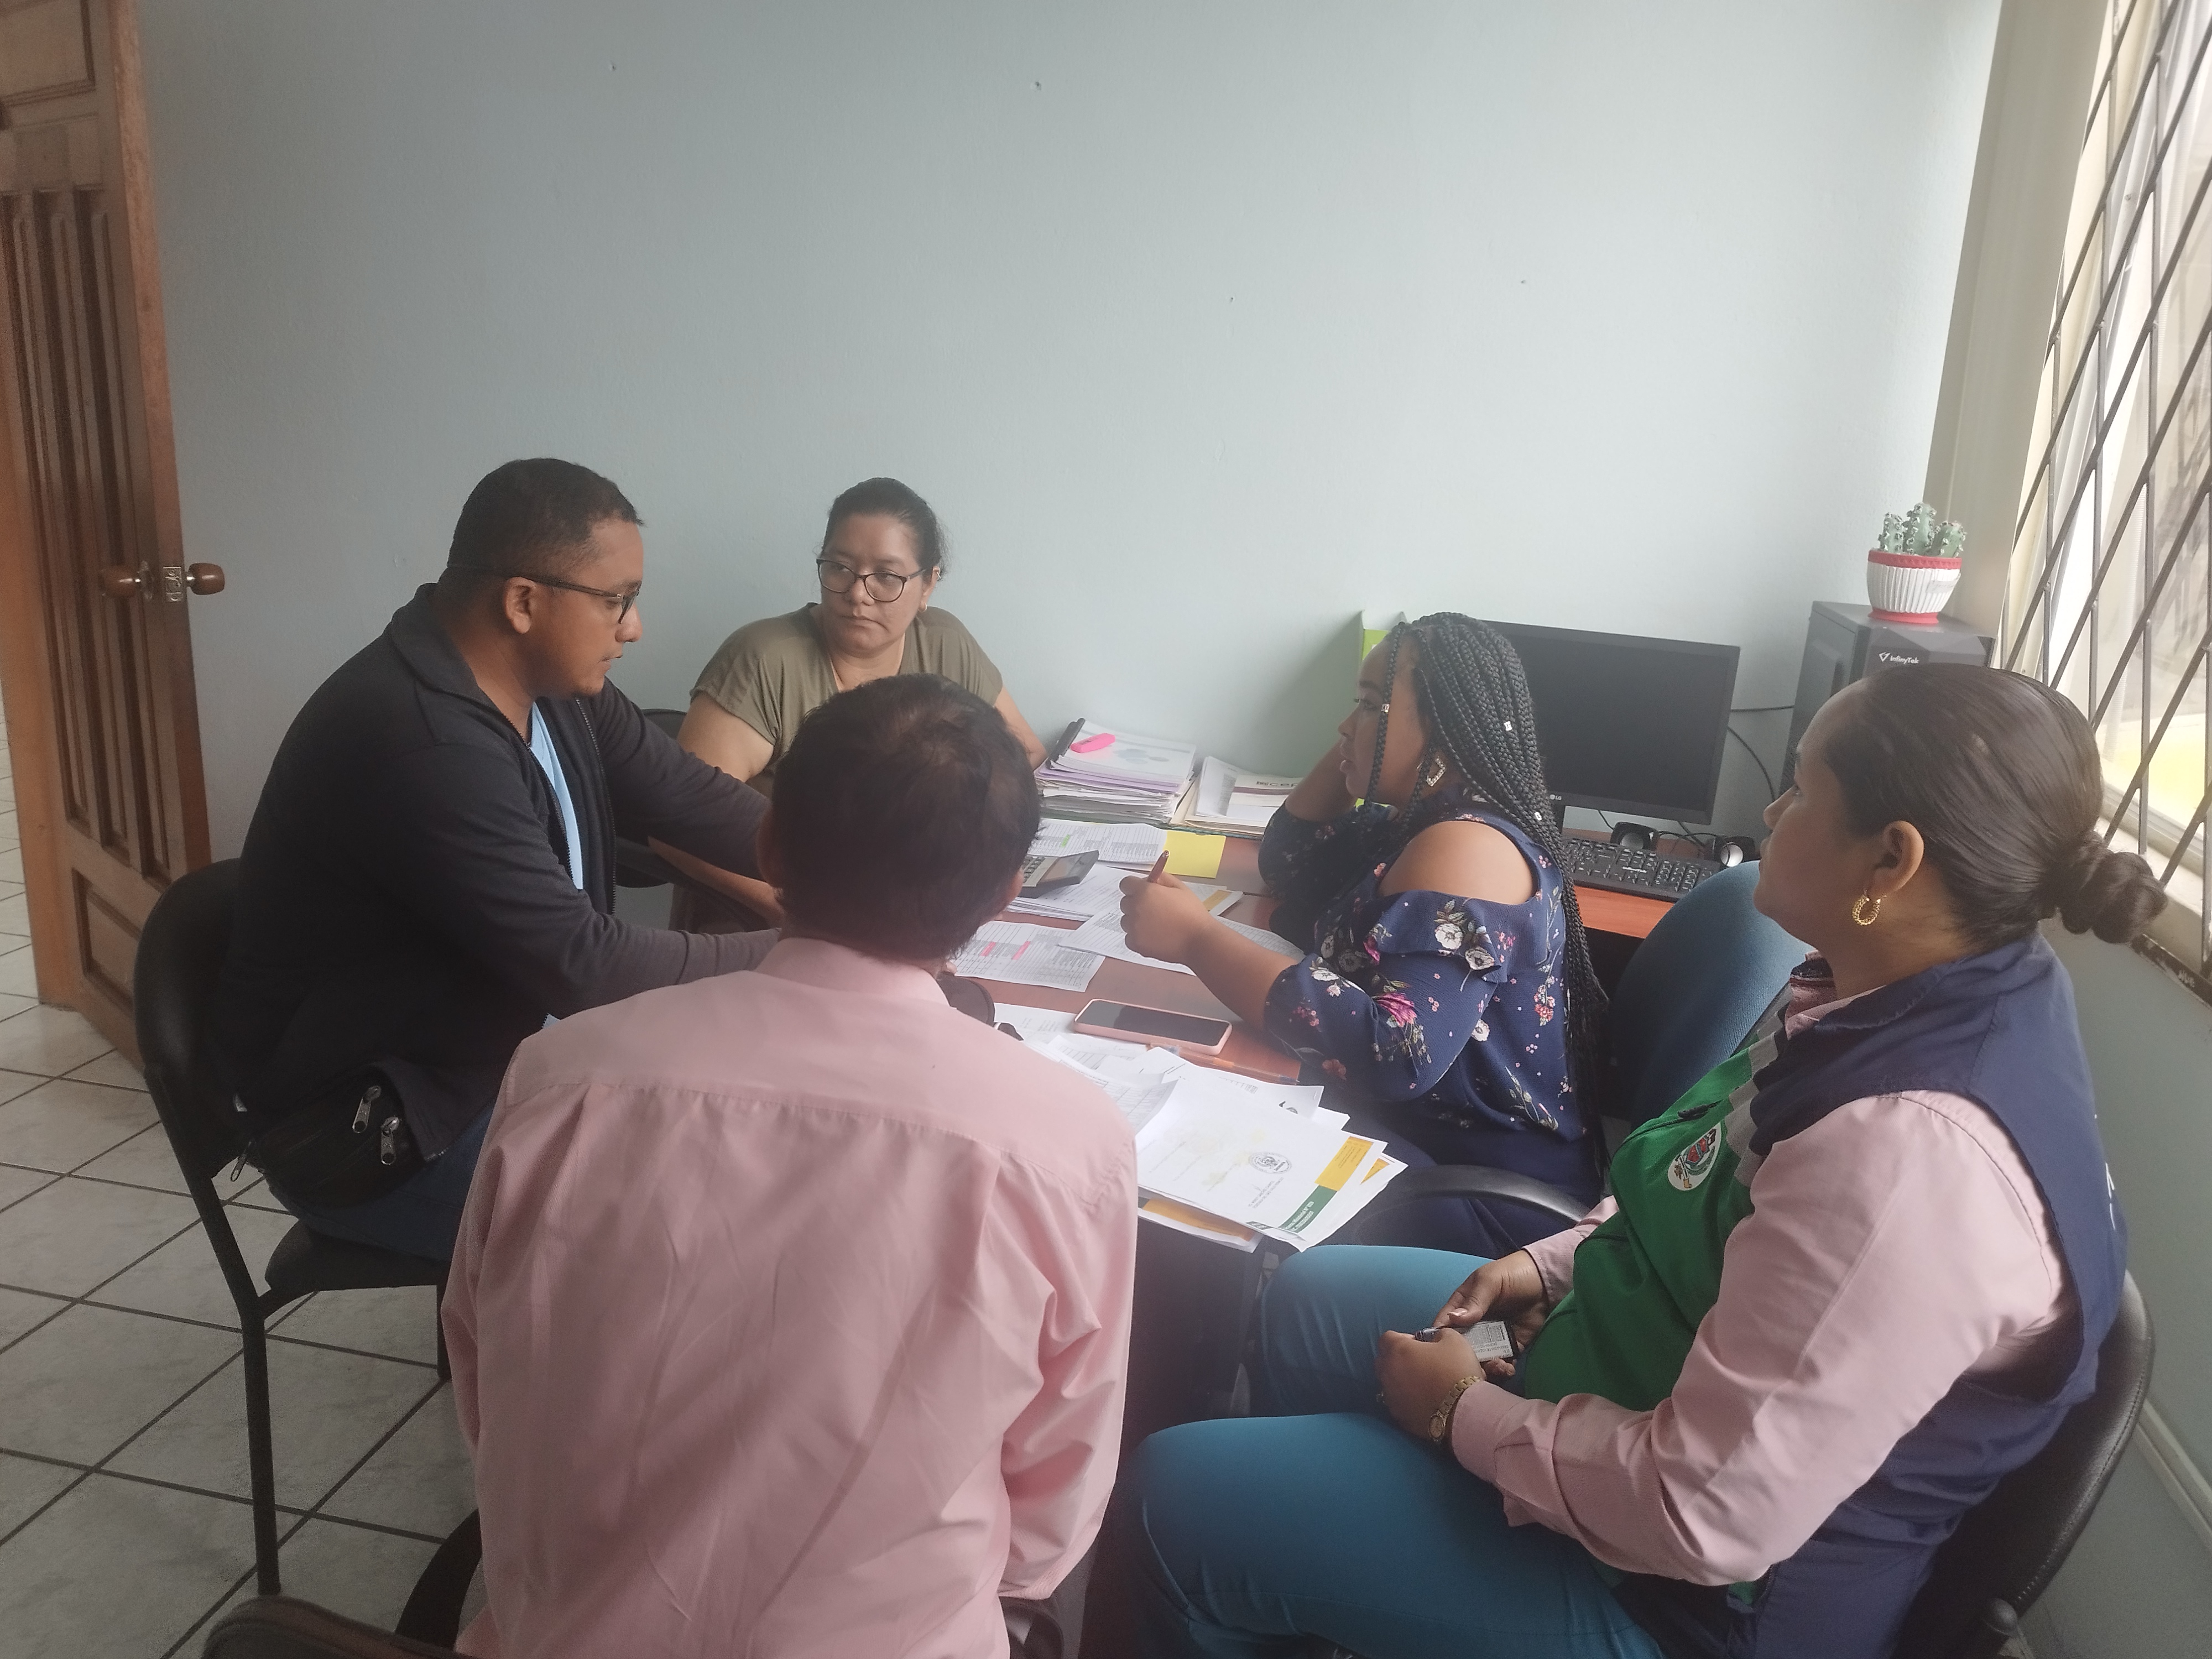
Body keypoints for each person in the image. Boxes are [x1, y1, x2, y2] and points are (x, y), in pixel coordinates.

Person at [1115, 663, 2161, 1659]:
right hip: (1641, 1364)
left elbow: (1704, 1516)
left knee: (1174, 1495)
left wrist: (1460, 1415)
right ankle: (1317, 1586)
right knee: (1307, 1303)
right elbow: (1704, 1176)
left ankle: (1277, 1555)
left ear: (1892, 863)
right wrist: (1554, 1265)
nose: (1771, 814)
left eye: (1802, 791)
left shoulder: (1909, 1160)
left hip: (1680, 1600)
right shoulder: (1888, 988)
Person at [442, 674, 1136, 1659]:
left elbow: (484, 1384)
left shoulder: (561, 1076)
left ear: (768, 847)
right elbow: (1051, 1517)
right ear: (1003, 897)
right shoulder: (1069, 1144)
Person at [215, 458, 776, 1261]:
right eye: (616, 601)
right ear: (522, 602)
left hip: (502, 1061)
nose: (633, 628)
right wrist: (812, 950)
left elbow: (686, 795)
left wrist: (860, 868)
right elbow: (587, 964)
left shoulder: (553, 687)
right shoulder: (420, 742)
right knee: (700, 1217)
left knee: (747, 1127)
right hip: (384, 1131)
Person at [1117, 613, 1608, 1255]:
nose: (1345, 724)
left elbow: (1394, 1052)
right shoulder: (1423, 817)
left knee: (1172, 1160)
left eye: (1372, 704)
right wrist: (1367, 747)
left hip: (1478, 1196)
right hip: (1423, 1140)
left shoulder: (1468, 849)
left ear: (1444, 732)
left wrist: (1195, 941)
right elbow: (1291, 859)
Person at [665, 476, 1048, 928]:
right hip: (775, 919)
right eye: (839, 568)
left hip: (910, 910)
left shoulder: (945, 644)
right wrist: (800, 915)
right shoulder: (765, 660)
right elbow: (677, 829)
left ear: (928, 584)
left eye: (886, 577)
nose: (857, 594)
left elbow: (1025, 754)